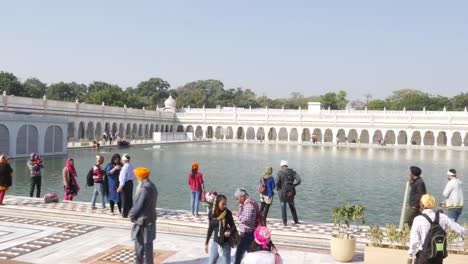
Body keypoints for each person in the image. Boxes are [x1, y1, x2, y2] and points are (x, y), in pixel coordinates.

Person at [408, 194, 468, 264]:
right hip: (438, 256)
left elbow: (414, 241)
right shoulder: (443, 217)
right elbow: (459, 229)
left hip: (423, 257)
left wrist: (410, 256)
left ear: (422, 205)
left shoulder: (418, 219)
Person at [129, 167, 158, 264]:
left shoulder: (144, 189)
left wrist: (131, 215)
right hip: (150, 219)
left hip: (143, 221)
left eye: (137, 177)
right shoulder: (152, 186)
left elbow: (138, 206)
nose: (137, 179)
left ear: (140, 178)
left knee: (139, 245)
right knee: (148, 245)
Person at [205, 194, 236, 264]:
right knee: (211, 261)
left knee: (226, 262)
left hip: (226, 242)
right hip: (216, 242)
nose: (224, 206)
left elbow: (233, 226)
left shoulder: (227, 213)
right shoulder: (211, 213)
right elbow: (210, 228)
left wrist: (229, 231)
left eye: (225, 204)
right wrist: (206, 243)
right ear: (217, 203)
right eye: (223, 204)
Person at [234, 188, 259, 264]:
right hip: (249, 233)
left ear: (242, 196)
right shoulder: (247, 203)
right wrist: (241, 205)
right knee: (249, 253)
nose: (237, 201)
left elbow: (246, 220)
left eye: (237, 199)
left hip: (247, 234)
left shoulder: (249, 206)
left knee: (238, 255)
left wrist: (237, 214)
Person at [275, 160, 301, 226]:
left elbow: (276, 183)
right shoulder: (293, 172)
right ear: (287, 165)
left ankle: (285, 222)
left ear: (281, 166)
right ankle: (296, 221)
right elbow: (299, 180)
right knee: (292, 206)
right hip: (291, 192)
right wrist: (294, 185)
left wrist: (278, 188)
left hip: (282, 193)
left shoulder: (279, 173)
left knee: (283, 206)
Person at [117, 153, 135, 218]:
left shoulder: (125, 167)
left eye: (122, 160)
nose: (122, 161)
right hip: (130, 183)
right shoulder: (131, 166)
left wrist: (120, 186)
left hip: (125, 184)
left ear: (124, 160)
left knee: (124, 199)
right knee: (129, 198)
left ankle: (125, 214)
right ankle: (132, 212)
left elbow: (123, 177)